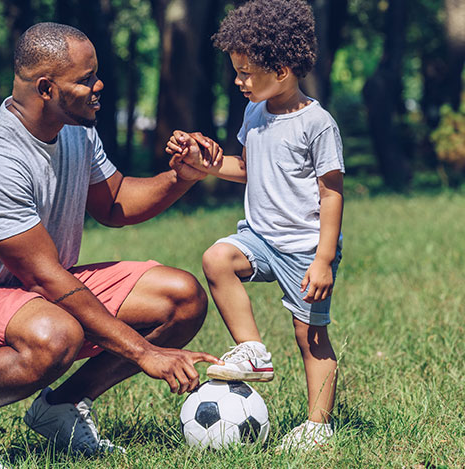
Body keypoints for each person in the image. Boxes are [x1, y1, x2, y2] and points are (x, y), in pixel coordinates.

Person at [0, 22, 223, 468]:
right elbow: (46, 277)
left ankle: (60, 408)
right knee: (58, 333)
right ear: (46, 87)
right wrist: (144, 352)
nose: (99, 86)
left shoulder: (75, 128)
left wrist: (182, 178)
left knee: (180, 298)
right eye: (85, 79)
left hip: (43, 295)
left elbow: (114, 203)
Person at [166, 0, 345, 451]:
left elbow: (331, 193)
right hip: (260, 237)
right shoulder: (255, 113)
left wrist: (323, 259)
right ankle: (254, 351)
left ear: (282, 70)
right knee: (216, 258)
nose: (238, 80)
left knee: (311, 337)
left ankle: (318, 427)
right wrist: (202, 164)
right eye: (237, 70)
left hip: (305, 247)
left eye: (246, 72)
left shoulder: (317, 124)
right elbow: (247, 168)